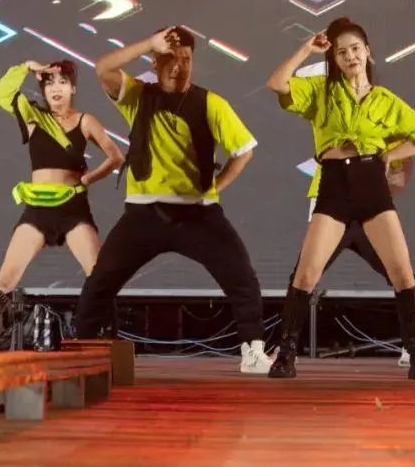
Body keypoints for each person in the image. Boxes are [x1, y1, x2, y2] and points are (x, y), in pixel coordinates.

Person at [73, 26, 272, 374]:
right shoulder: (137, 96)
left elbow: (244, 150)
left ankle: (254, 352)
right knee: (100, 282)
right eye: (169, 58)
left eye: (186, 59)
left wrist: (215, 187)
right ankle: (80, 352)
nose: (178, 66)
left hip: (198, 215)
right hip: (143, 214)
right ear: (154, 61)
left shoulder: (211, 103)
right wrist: (149, 43)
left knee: (242, 278)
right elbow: (103, 68)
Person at [266, 17, 415, 379]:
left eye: (355, 49)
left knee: (402, 272)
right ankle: (286, 354)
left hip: (371, 184)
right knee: (306, 273)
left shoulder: (386, 100)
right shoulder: (321, 91)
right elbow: (277, 83)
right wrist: (306, 49)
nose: (350, 56)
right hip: (333, 184)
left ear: (367, 52)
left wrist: (389, 155)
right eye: (342, 52)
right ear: (334, 59)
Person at [0, 60, 123, 293]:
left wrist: (88, 179)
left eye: (63, 82)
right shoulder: (33, 116)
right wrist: (27, 67)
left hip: (73, 209)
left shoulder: (85, 121)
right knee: (4, 282)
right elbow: (2, 94)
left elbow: (116, 157)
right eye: (49, 83)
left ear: (73, 88)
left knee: (100, 278)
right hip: (37, 209)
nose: (56, 88)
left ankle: (100, 319)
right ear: (43, 90)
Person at [288, 148, 415, 366]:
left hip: (369, 212)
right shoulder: (332, 129)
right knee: (303, 276)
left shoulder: (380, 131)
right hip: (331, 208)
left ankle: (413, 346)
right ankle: (286, 349)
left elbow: (404, 165)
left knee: (401, 275)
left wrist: (380, 193)